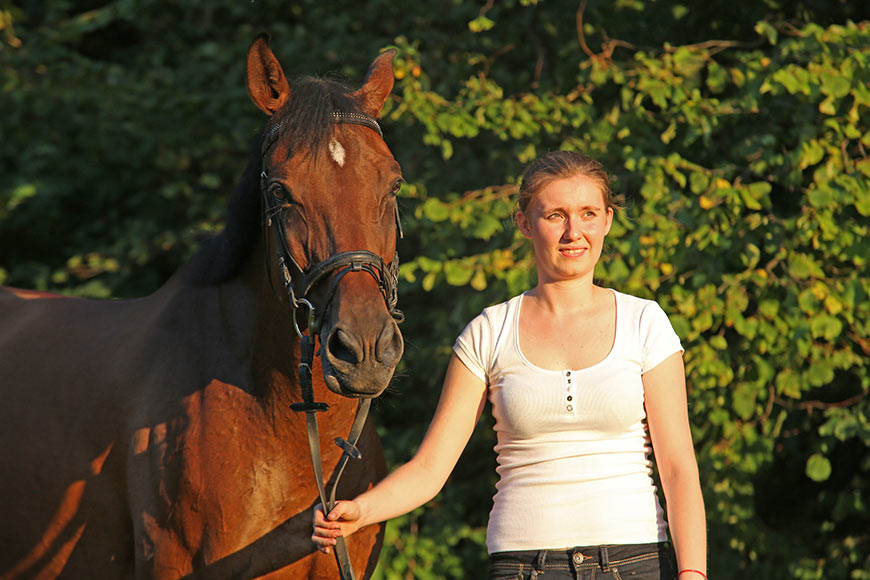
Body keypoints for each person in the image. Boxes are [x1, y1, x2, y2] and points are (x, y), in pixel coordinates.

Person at [312, 151, 707, 580]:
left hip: (636, 564)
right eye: (555, 215)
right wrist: (362, 511)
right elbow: (429, 469)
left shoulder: (645, 323)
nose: (574, 232)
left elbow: (678, 468)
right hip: (524, 567)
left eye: (588, 213)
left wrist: (693, 572)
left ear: (607, 220)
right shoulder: (488, 333)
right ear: (524, 223)